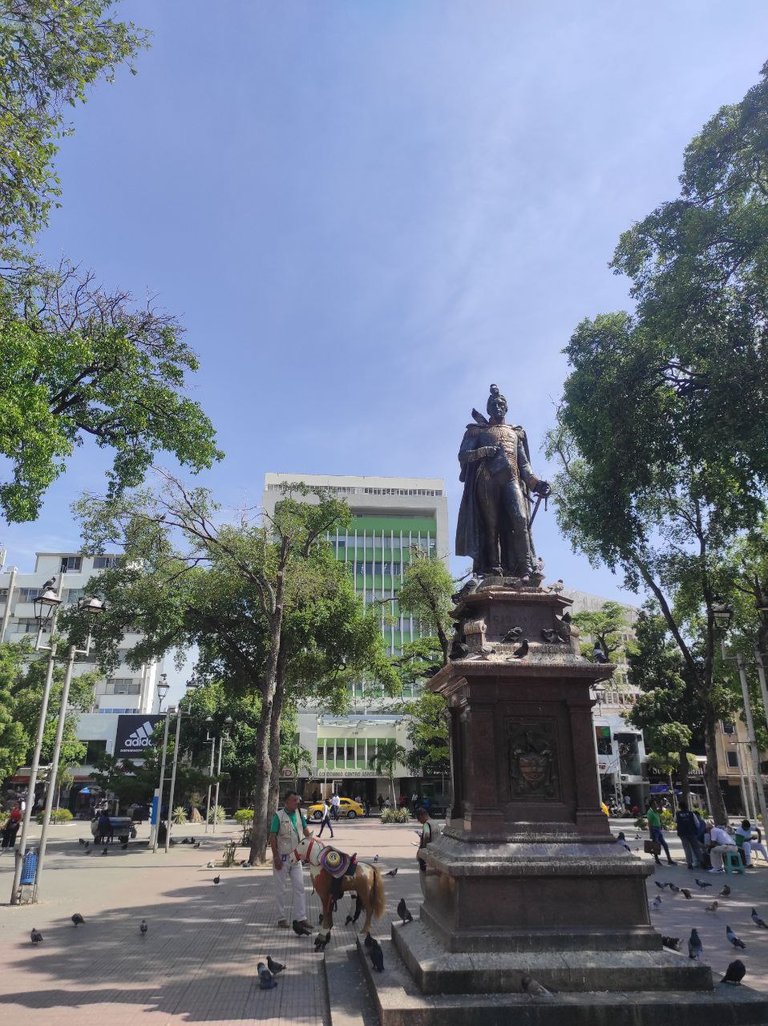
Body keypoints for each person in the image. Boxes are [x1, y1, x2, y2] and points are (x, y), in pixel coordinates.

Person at [455, 384, 551, 578]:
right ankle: (494, 567)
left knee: (520, 519)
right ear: (488, 408)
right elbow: (463, 455)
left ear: (506, 408)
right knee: (491, 525)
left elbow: (524, 465)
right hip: (486, 480)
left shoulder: (515, 433)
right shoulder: (477, 431)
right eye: (494, 404)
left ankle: (526, 568)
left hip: (511, 479)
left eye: (501, 404)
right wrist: (483, 451)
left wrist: (537, 484)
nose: (497, 407)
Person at [269, 791, 311, 929]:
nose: (296, 802)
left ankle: (301, 917)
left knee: (300, 888)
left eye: (297, 800)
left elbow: (306, 833)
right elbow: (273, 836)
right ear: (286, 802)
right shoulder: (278, 816)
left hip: (296, 859)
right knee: (280, 890)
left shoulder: (299, 815)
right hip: (282, 858)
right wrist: (275, 857)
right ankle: (281, 918)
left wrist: (315, 842)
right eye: (294, 800)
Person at [646, 800, 676, 866]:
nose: (656, 805)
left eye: (656, 803)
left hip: (658, 829)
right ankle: (657, 859)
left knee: (664, 845)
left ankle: (669, 859)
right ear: (652, 805)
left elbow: (661, 811)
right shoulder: (650, 812)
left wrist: (661, 805)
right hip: (654, 830)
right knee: (656, 845)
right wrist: (651, 833)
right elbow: (650, 823)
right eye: (655, 803)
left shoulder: (656, 811)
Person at [675, 801, 704, 870]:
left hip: (682, 833)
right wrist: (695, 830)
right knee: (696, 847)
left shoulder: (677, 814)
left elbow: (675, 821)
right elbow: (697, 823)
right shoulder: (691, 814)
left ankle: (689, 864)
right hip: (691, 832)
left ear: (679, 807)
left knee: (687, 848)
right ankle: (702, 862)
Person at [415, 807, 434, 872]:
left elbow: (427, 835)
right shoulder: (435, 823)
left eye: (419, 819)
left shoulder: (426, 824)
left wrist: (422, 848)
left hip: (428, 854)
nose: (419, 821)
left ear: (422, 816)